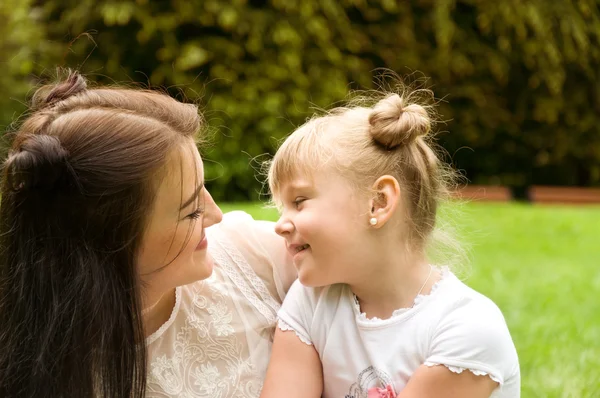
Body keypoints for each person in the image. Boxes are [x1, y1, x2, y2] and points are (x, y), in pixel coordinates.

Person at [0, 71, 295, 398]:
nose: (216, 215)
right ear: (112, 244)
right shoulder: (39, 374)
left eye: (203, 189)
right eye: (191, 210)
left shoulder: (255, 257)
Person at [260, 86, 520, 398]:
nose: (280, 225)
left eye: (299, 201)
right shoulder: (311, 302)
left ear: (379, 203)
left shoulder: (465, 328)